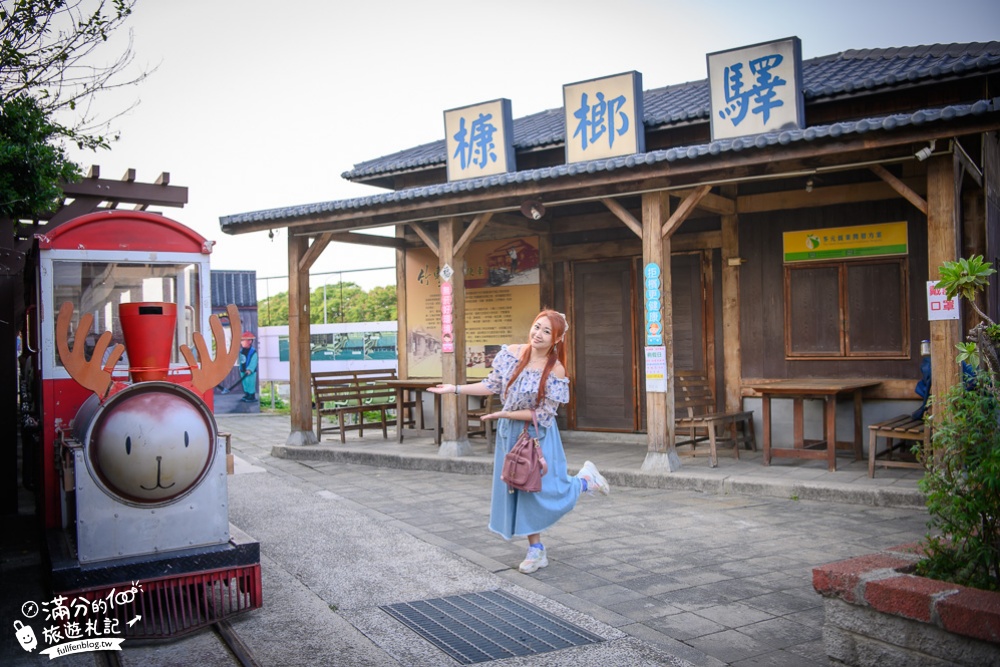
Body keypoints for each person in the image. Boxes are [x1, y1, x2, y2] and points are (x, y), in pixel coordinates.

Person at [429, 309, 609, 574]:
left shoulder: (556, 370)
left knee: (544, 489)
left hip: (536, 434)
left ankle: (584, 482)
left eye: (547, 331)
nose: (538, 334)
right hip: (509, 433)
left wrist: (506, 413)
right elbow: (492, 384)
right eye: (537, 327)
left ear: (557, 339)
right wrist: (454, 389)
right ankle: (536, 549)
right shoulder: (512, 353)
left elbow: (545, 413)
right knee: (520, 487)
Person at [239, 331, 258, 402]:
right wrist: (240, 367)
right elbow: (240, 360)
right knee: (245, 383)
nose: (241, 342)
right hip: (243, 370)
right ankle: (247, 394)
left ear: (250, 341)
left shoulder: (253, 352)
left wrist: (250, 369)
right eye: (241, 341)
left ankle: (251, 395)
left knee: (250, 383)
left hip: (250, 372)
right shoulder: (241, 351)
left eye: (243, 340)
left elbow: (254, 361)